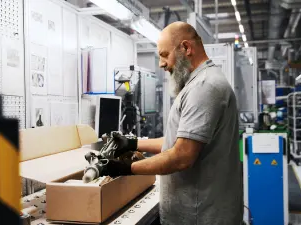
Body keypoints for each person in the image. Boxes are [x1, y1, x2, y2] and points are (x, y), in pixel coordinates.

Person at [101, 21, 243, 225]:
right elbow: (176, 142)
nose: (161, 63)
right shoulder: (199, 82)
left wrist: (126, 168)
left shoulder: (204, 87)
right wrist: (132, 143)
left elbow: (182, 156)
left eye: (164, 54)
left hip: (201, 217)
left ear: (186, 48)